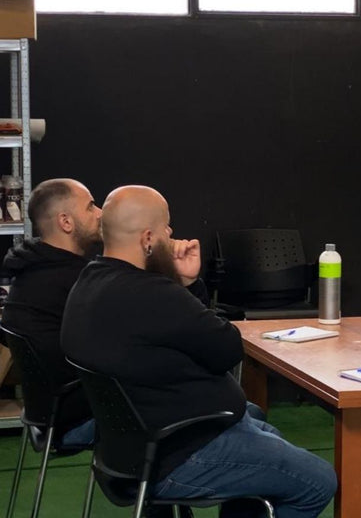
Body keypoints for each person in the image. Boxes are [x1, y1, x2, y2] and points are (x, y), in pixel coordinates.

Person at [61, 185, 337, 518]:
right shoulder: (154, 294)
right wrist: (185, 285)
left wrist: (185, 284)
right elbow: (227, 349)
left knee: (267, 435)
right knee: (317, 481)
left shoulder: (87, 284)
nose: (171, 235)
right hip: (180, 451)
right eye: (166, 227)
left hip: (131, 448)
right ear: (148, 238)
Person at [0, 178, 102, 445]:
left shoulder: (29, 272)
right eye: (91, 206)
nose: (100, 213)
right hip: (78, 419)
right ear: (66, 222)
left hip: (45, 415)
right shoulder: (77, 283)